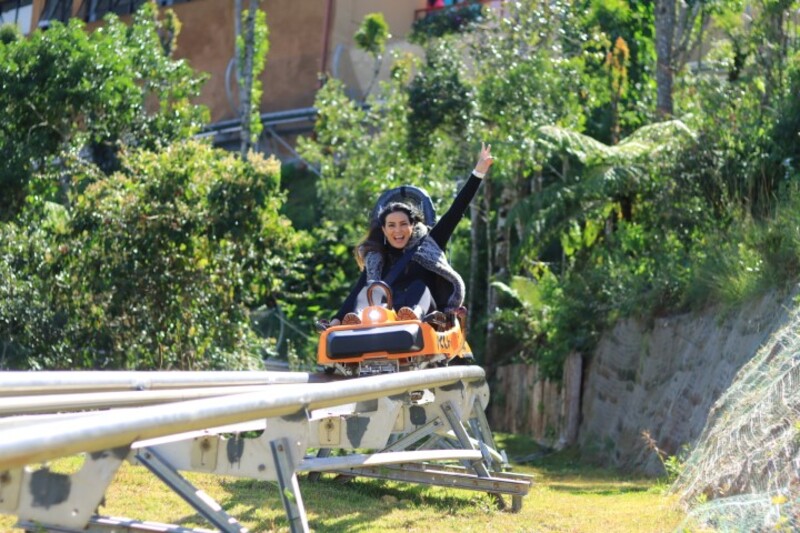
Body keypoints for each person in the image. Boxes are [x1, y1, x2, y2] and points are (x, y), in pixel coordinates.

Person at [326, 143, 494, 327]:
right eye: (391, 225)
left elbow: (455, 211)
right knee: (367, 291)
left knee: (418, 287)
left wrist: (478, 172)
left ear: (413, 226)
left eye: (403, 224)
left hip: (425, 313)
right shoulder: (376, 258)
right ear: (384, 229)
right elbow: (356, 292)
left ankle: (412, 315)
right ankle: (356, 319)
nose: (397, 230)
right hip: (384, 315)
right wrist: (336, 319)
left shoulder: (429, 243)